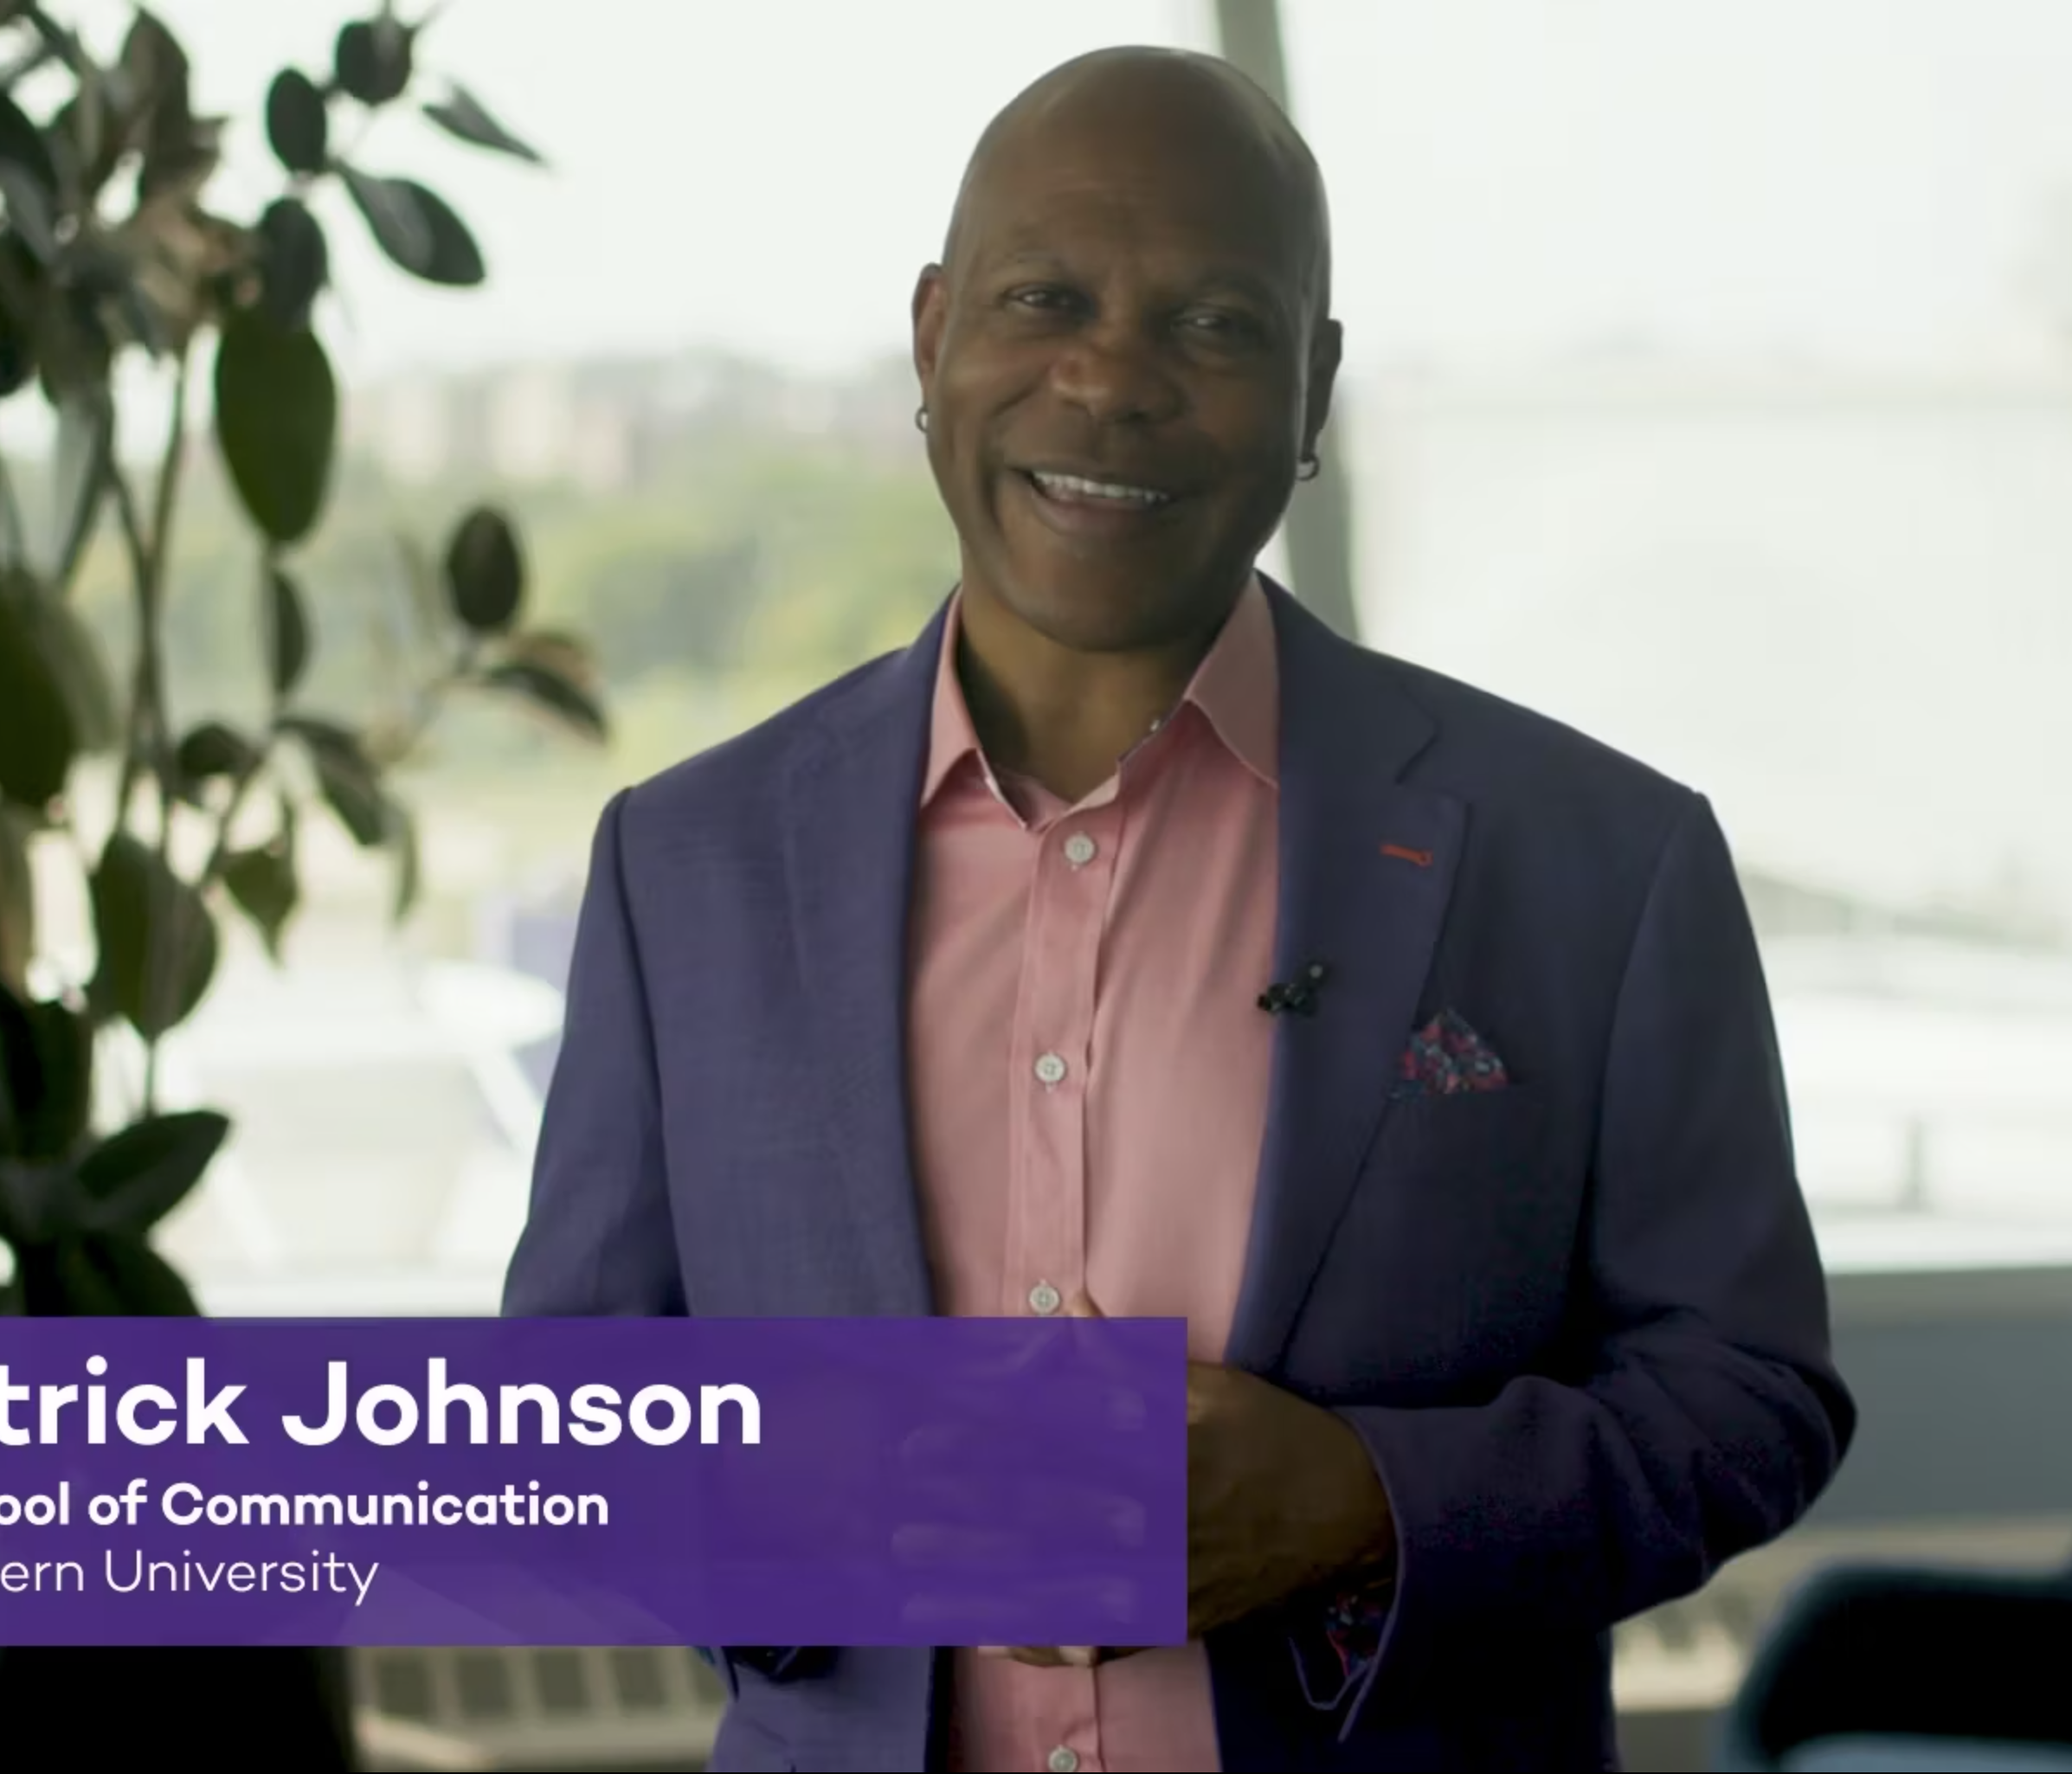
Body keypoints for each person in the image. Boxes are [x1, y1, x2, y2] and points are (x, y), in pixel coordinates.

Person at [503, 43, 1854, 1774]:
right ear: (930, 338)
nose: (1110, 379)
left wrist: (1357, 1500)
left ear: (1313, 390)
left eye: (1212, 324)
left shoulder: (1598, 855)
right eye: (1042, 297)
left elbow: (1745, 1395)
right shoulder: (679, 864)